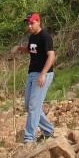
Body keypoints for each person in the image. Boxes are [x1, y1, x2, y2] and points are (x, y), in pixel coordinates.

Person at [10, 12, 55, 146]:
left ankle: (29, 138)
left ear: (38, 22)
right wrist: (18, 48)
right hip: (32, 74)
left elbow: (51, 56)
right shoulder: (32, 37)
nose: (29, 26)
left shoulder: (45, 36)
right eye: (28, 24)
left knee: (34, 106)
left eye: (32, 23)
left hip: (43, 74)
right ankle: (48, 130)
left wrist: (43, 74)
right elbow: (31, 50)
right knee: (29, 106)